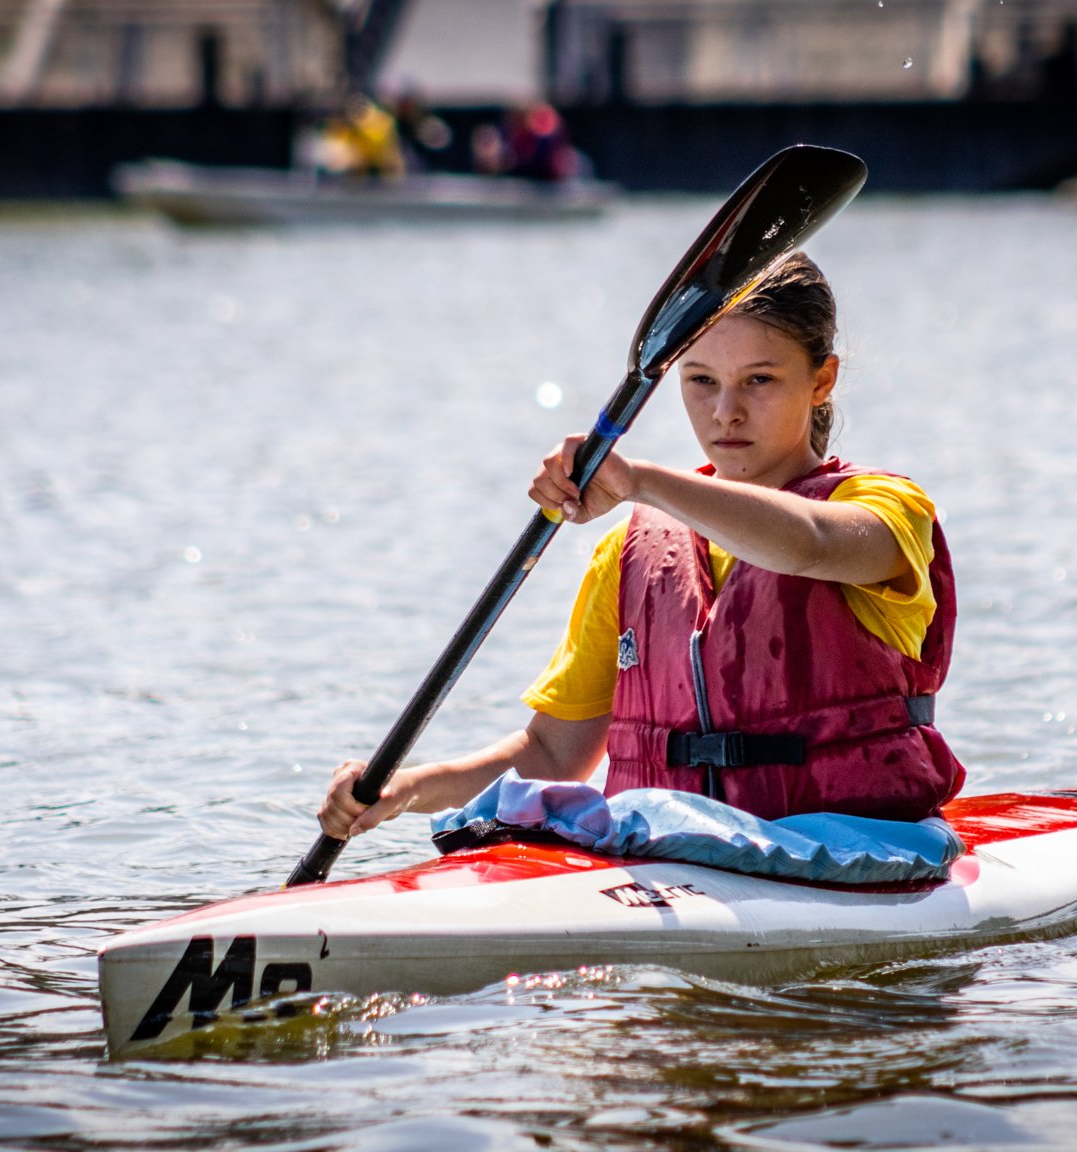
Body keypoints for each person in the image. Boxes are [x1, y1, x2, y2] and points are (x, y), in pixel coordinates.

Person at [320, 253, 965, 842]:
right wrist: (406, 789)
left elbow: (809, 545)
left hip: (855, 850)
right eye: (701, 379)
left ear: (822, 380)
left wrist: (641, 481)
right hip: (667, 858)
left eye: (759, 380)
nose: (725, 412)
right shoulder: (632, 552)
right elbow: (553, 754)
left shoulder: (887, 510)